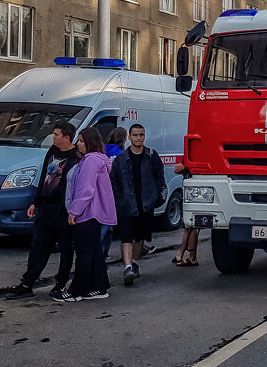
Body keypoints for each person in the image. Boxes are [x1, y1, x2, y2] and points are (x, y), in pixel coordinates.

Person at [6, 123, 81, 299]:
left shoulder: (76, 156)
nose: (52, 138)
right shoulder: (52, 152)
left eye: (56, 134)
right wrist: (36, 201)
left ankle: (60, 283)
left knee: (65, 249)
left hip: (63, 210)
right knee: (39, 246)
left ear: (66, 137)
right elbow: (44, 178)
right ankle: (26, 283)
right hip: (45, 208)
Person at [59, 127, 116, 302]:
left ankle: (77, 290)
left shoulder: (90, 160)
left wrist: (74, 211)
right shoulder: (99, 159)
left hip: (87, 212)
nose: (78, 144)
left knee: (84, 253)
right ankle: (99, 287)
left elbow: (85, 189)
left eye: (82, 141)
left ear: (90, 142)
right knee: (94, 251)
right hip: (95, 212)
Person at [110, 124, 167, 286]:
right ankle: (128, 267)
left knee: (140, 237)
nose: (139, 138)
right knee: (126, 237)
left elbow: (159, 177)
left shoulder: (151, 156)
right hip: (127, 204)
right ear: (129, 137)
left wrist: (156, 197)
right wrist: (118, 200)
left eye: (141, 135)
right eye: (135, 135)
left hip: (146, 204)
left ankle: (134, 262)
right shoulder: (121, 160)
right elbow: (113, 181)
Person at [173, 162, 199, 267]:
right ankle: (190, 256)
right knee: (192, 226)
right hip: (199, 190)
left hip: (191, 190)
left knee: (190, 226)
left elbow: (177, 169)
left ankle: (182, 254)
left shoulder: (193, 156)